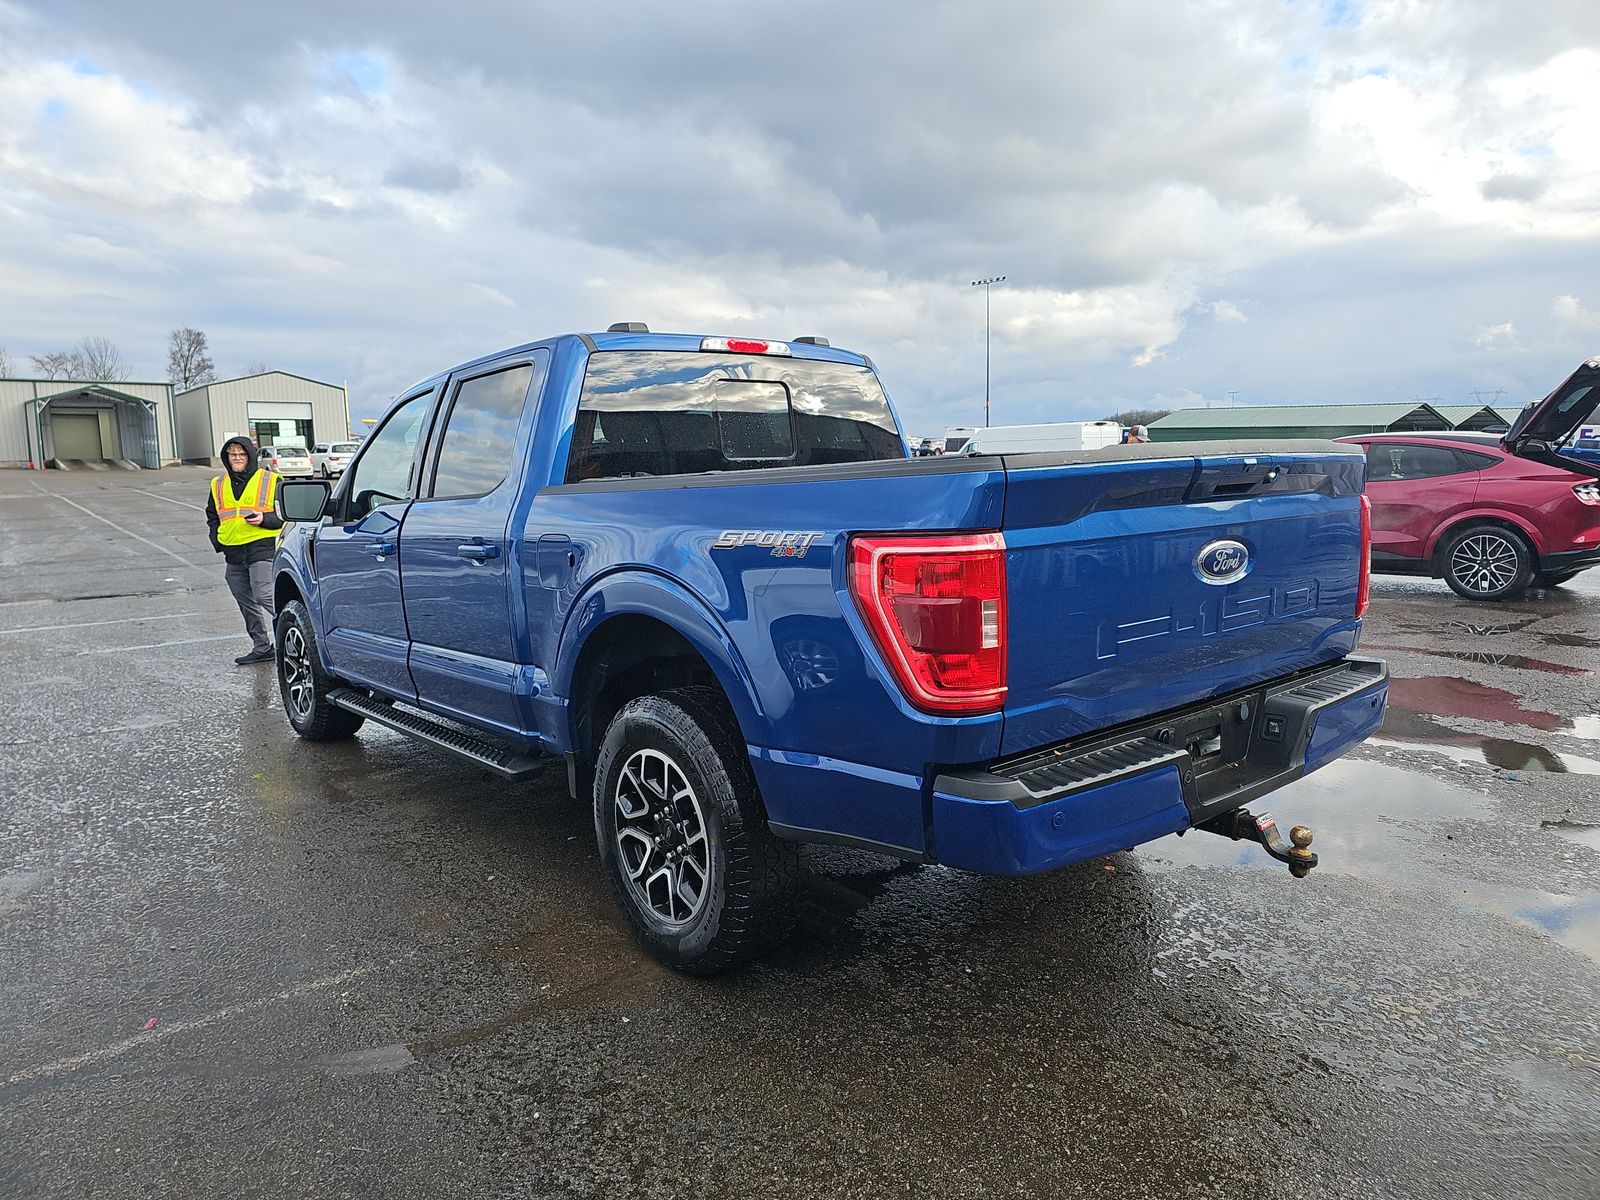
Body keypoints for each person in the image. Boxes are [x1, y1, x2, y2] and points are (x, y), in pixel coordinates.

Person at [206, 436, 284, 665]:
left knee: (263, 594)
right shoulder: (217, 484)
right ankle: (262, 647)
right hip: (233, 551)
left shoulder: (271, 480)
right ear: (226, 458)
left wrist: (264, 519)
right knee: (245, 600)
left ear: (250, 456)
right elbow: (212, 516)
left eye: (242, 454)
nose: (237, 458)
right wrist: (217, 539)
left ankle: (306, 632)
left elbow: (286, 514)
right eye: (233, 454)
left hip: (262, 548)